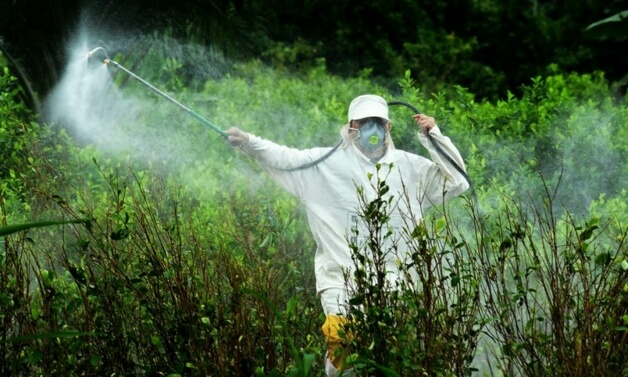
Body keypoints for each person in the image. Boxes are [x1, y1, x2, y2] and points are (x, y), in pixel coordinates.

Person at [226, 94, 469, 376]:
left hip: (396, 282)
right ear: (351, 126)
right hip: (338, 277)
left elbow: (457, 182)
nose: (371, 129)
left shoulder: (410, 167)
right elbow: (284, 158)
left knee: (389, 356)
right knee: (342, 346)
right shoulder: (324, 164)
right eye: (363, 122)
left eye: (377, 122)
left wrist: (433, 137)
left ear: (388, 127)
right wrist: (249, 142)